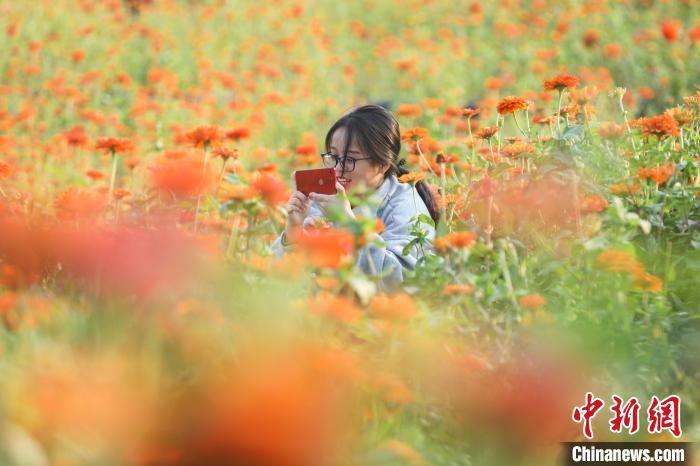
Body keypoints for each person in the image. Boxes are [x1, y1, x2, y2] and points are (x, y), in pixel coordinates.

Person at [271, 104, 439, 291]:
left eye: (350, 159)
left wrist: (348, 224)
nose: (338, 168)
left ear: (383, 164)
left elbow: (402, 282)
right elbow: (277, 278)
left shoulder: (407, 206)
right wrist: (293, 231)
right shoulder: (325, 198)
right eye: (333, 156)